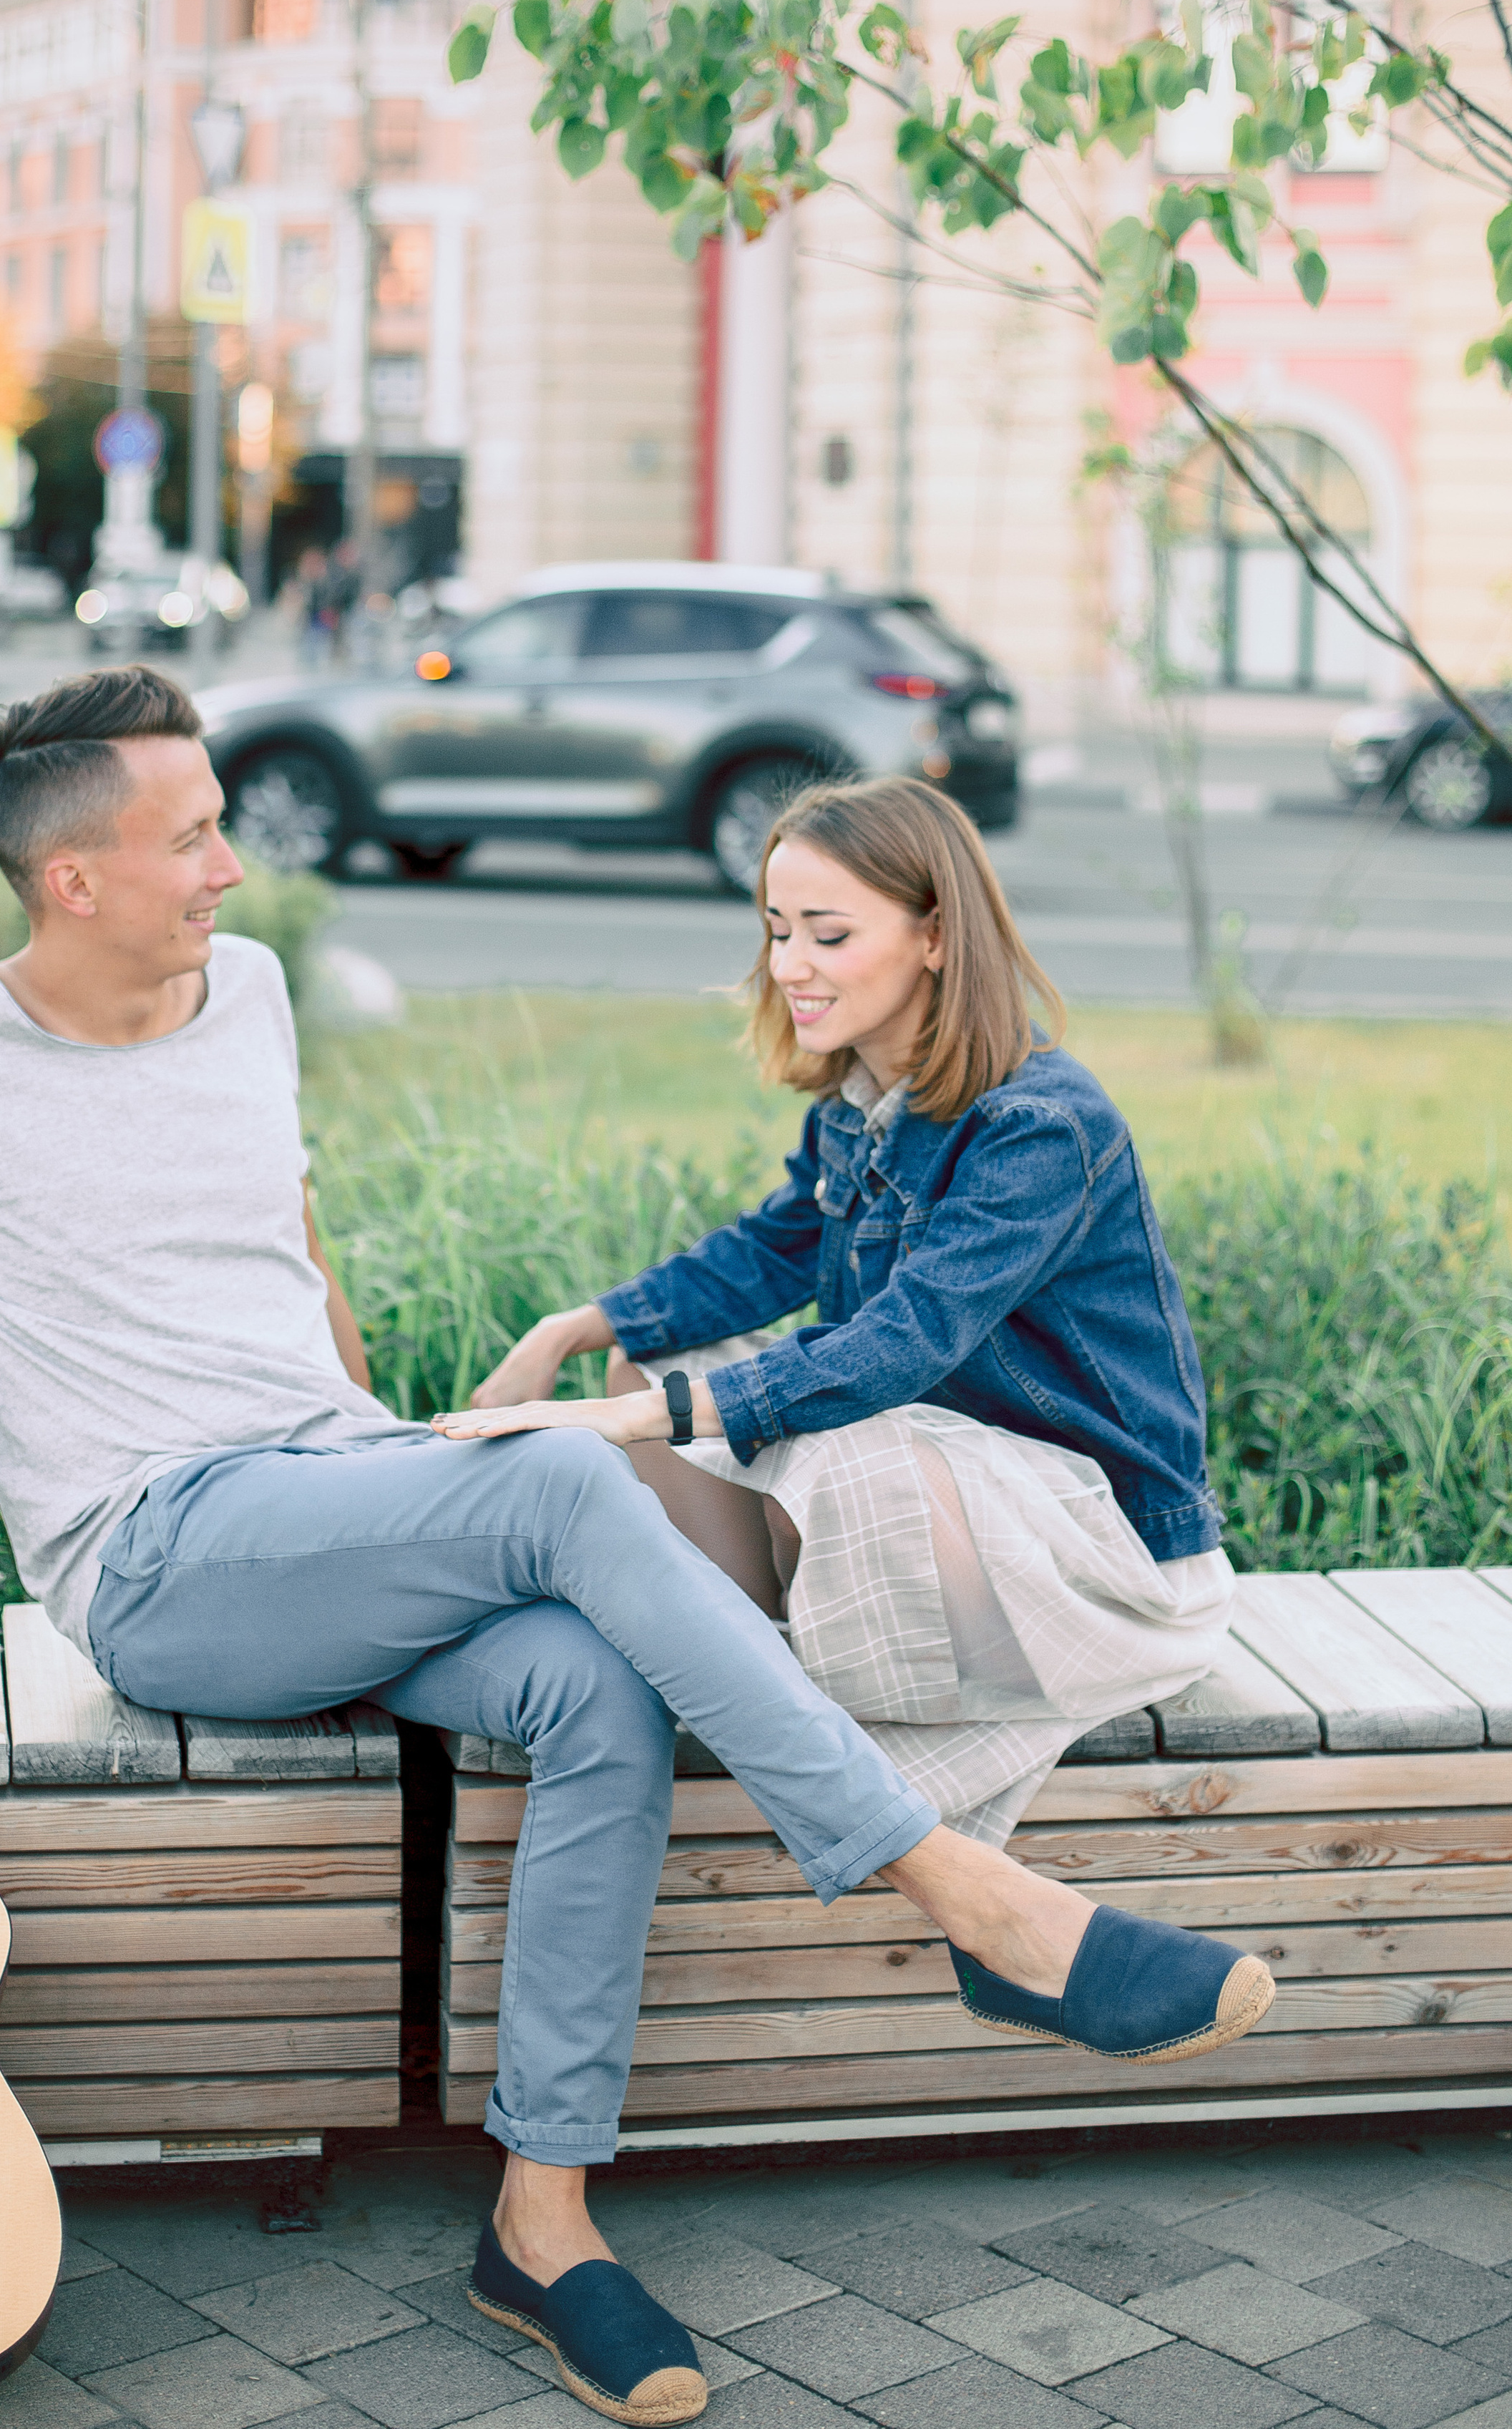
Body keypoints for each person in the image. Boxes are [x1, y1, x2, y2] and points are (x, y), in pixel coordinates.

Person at [0, 676, 1272, 2429]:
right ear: (73, 879)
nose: (237, 861)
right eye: (196, 833)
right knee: (562, 1483)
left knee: (594, 1679)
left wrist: (386, 1469)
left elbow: (293, 1269)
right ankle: (962, 1895)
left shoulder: (253, 992)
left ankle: (540, 2220)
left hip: (327, 1496)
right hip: (154, 1554)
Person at [460, 774, 1237, 1850]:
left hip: (1104, 1557)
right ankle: (750, 1651)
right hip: (959, 1502)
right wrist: (571, 1336)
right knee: (658, 1357)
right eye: (778, 931)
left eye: (827, 934)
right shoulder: (863, 1107)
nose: (789, 969)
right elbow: (765, 1255)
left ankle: (825, 1709)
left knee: (837, 1439)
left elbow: (899, 1345)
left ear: (934, 936)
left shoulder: (1042, 1128)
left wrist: (634, 1425)